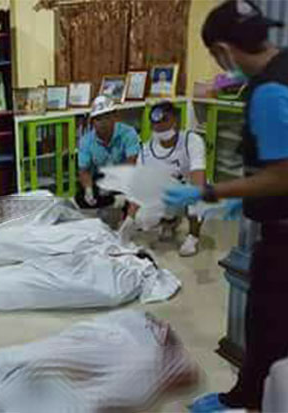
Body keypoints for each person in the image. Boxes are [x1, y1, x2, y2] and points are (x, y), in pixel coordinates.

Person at [162, 1, 288, 411]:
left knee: (268, 327)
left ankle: (248, 403)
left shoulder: (269, 91)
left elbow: (283, 175)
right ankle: (250, 396)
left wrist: (211, 193)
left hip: (285, 239)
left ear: (223, 51)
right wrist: (249, 197)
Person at [119, 101, 206, 256]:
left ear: (176, 120)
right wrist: (129, 220)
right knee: (143, 218)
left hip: (188, 188)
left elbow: (198, 175)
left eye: (165, 120)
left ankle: (193, 236)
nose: (161, 126)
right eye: (156, 123)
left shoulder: (191, 140)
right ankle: (169, 223)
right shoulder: (146, 150)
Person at [76, 95, 140, 208]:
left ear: (115, 117)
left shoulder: (128, 133)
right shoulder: (86, 141)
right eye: (98, 119)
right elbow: (84, 171)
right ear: (92, 122)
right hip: (101, 177)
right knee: (81, 197)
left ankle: (117, 201)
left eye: (107, 117)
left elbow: (131, 162)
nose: (103, 123)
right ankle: (116, 201)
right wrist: (89, 190)